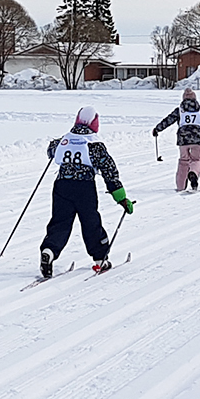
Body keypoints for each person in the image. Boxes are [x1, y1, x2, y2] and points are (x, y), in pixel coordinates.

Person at [42, 105, 132, 276]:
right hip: (84, 188)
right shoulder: (94, 144)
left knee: (60, 222)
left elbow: (51, 150)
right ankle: (100, 258)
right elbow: (109, 171)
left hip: (61, 186)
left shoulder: (64, 139)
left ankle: (49, 250)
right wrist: (121, 198)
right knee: (91, 222)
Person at [152, 87, 200, 192]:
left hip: (183, 140)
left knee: (183, 161)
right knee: (196, 159)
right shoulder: (199, 110)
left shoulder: (179, 110)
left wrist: (157, 129)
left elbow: (168, 120)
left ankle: (180, 186)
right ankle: (193, 173)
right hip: (197, 140)